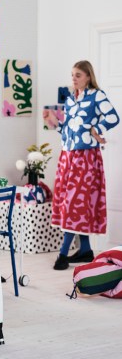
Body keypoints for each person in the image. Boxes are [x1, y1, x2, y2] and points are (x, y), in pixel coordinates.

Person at [52, 60, 120, 270]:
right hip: (68, 155)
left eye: (78, 75)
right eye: (72, 74)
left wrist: (96, 129)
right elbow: (70, 125)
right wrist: (56, 125)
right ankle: (85, 250)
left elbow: (113, 117)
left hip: (86, 157)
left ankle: (63, 254)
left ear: (88, 77)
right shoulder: (70, 98)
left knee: (75, 202)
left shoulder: (97, 96)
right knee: (71, 201)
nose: (74, 78)